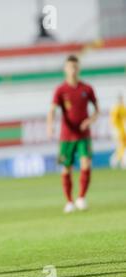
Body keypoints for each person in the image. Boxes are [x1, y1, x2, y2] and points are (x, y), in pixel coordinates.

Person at [47, 55, 100, 213]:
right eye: (70, 67)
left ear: (79, 68)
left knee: (86, 164)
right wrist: (50, 126)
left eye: (75, 67)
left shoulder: (87, 89)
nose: (73, 70)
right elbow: (52, 110)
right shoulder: (60, 90)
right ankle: (69, 201)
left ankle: (81, 198)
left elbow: (97, 110)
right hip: (66, 136)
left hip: (84, 135)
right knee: (66, 169)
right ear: (65, 69)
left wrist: (89, 120)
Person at [109, 93, 126, 168]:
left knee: (122, 146)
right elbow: (113, 121)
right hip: (118, 131)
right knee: (122, 146)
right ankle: (117, 161)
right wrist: (115, 130)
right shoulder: (116, 108)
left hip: (122, 130)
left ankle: (117, 161)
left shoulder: (122, 107)